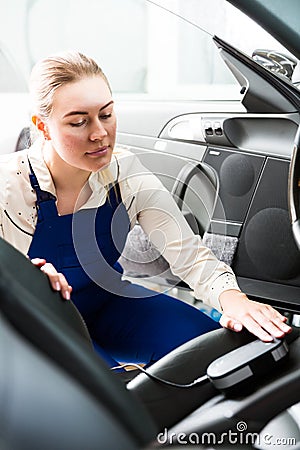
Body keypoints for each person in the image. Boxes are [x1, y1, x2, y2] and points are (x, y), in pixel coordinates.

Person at [0, 52, 291, 367]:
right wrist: (21, 279)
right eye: (79, 121)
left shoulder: (125, 172)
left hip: (109, 304)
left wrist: (233, 300)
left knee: (220, 353)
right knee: (110, 396)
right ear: (42, 126)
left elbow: (189, 255)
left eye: (106, 114)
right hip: (40, 321)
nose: (99, 133)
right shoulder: (9, 187)